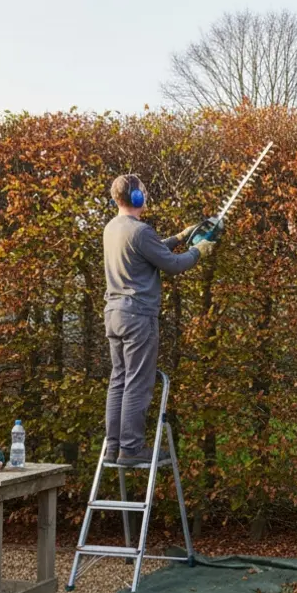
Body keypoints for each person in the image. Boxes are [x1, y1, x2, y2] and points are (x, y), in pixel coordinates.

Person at [102, 173, 215, 466]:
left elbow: (147, 251)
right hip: (138, 316)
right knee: (138, 382)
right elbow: (173, 265)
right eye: (143, 191)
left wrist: (179, 237)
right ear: (137, 197)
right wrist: (198, 251)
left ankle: (113, 447)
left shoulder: (112, 228)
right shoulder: (140, 231)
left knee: (119, 380)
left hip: (114, 314)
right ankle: (131, 448)